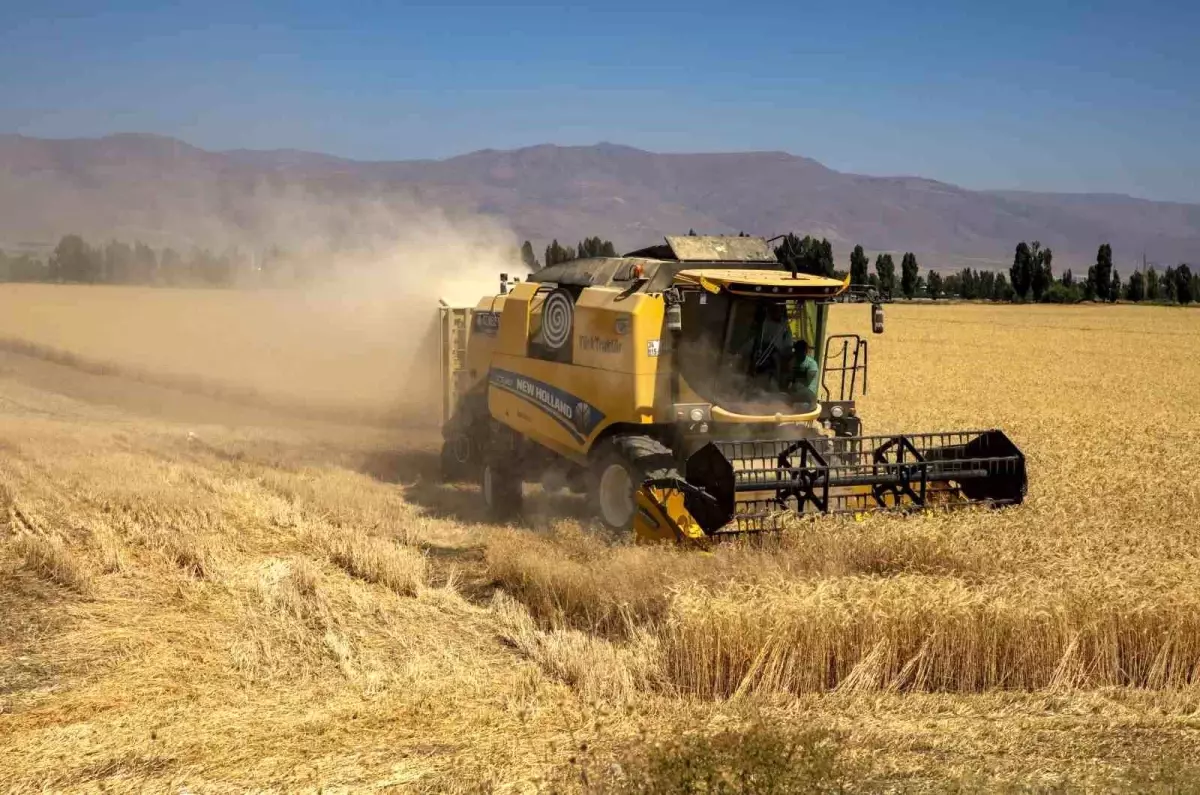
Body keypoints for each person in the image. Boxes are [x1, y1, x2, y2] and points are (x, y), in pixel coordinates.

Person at [737, 303, 793, 390]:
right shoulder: (762, 324)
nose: (777, 311)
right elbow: (751, 342)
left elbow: (787, 348)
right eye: (774, 308)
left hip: (774, 359)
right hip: (758, 355)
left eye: (779, 308)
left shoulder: (784, 327)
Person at [791, 339, 819, 406]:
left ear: (806, 351)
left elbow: (811, 388)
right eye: (797, 350)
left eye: (801, 350)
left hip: (807, 398)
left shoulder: (811, 364)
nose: (798, 353)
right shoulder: (792, 362)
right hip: (794, 395)